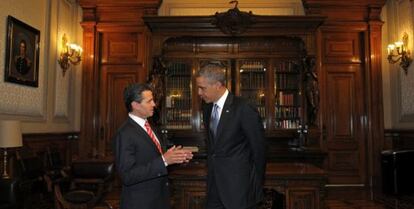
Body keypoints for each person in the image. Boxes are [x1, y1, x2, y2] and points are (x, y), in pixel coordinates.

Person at [196, 63, 266, 209]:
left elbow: (259, 150)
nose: (199, 93)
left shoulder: (243, 108)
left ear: (217, 85)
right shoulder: (207, 108)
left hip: (238, 189)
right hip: (214, 186)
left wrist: (254, 186)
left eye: (202, 88)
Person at [113, 83, 193, 209]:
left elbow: (158, 163)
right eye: (149, 101)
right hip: (140, 203)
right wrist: (164, 160)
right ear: (135, 105)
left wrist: (177, 159)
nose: (154, 104)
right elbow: (127, 175)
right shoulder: (125, 133)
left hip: (159, 199)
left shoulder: (152, 128)